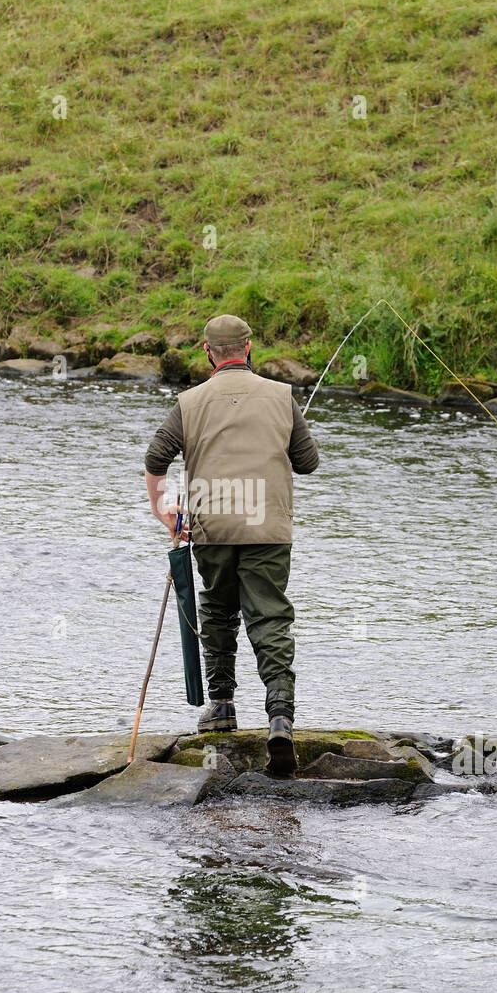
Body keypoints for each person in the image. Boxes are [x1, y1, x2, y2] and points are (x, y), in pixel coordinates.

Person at [144, 315, 319, 776]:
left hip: (211, 526)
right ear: (249, 348)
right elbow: (309, 463)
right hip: (267, 527)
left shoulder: (188, 401)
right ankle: (280, 717)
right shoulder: (283, 396)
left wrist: (165, 512)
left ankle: (222, 708)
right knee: (270, 616)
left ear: (208, 352)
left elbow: (155, 460)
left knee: (218, 611)